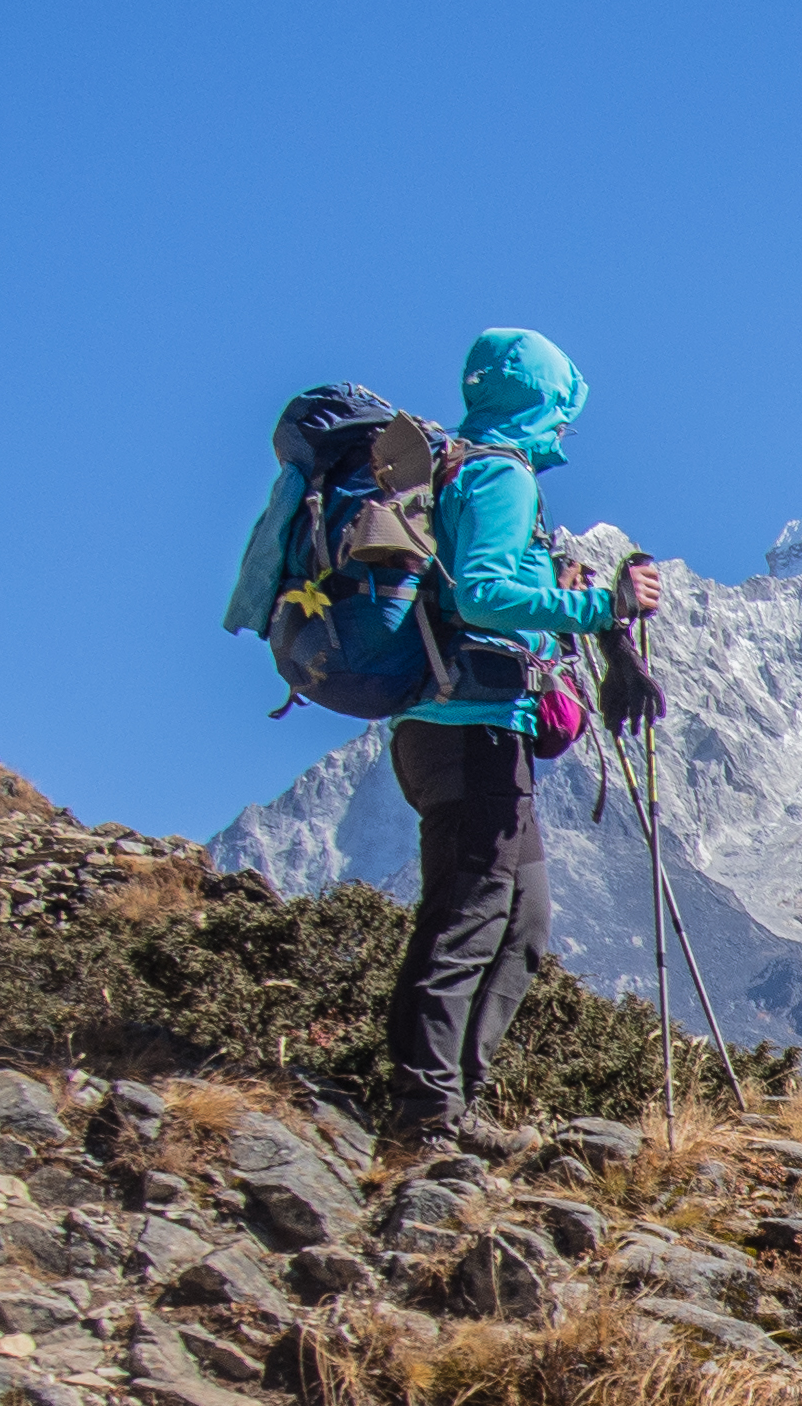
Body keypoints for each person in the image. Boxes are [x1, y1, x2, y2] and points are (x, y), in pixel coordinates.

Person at [223, 329, 660, 1155]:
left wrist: (569, 598)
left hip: (463, 730)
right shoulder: (497, 473)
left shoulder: (460, 467)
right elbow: (489, 596)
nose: (566, 426)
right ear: (547, 400)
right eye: (564, 406)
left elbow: (481, 588)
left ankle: (458, 1102)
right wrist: (604, 608)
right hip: (469, 733)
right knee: (468, 916)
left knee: (521, 926)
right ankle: (424, 1115)